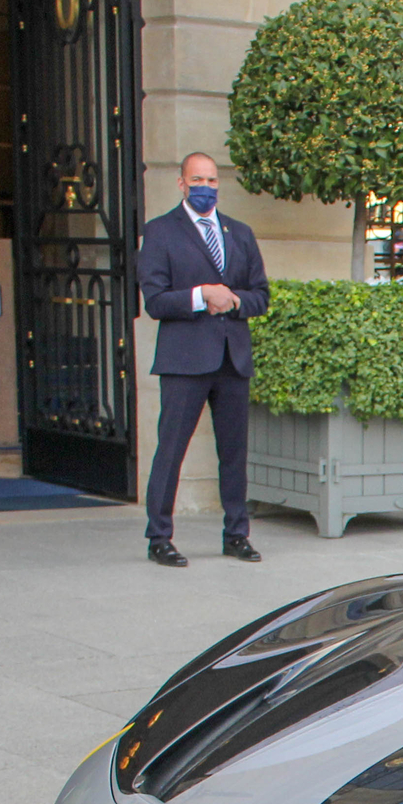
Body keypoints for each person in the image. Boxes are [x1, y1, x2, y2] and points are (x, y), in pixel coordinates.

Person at [137, 152, 269, 567]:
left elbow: (261, 295)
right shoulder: (159, 233)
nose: (206, 188)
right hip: (185, 360)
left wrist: (233, 300)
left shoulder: (240, 233)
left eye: (212, 181)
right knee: (171, 449)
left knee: (233, 452)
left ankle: (237, 533)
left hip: (232, 358)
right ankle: (159, 537)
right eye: (197, 180)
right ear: (180, 184)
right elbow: (155, 301)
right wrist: (201, 295)